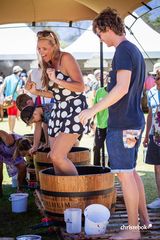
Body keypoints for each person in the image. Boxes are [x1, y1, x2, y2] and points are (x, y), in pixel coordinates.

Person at [79, 7, 150, 240]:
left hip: (123, 125)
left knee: (125, 175)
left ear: (106, 28)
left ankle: (133, 231)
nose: (99, 39)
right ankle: (144, 223)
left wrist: (91, 110)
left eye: (99, 34)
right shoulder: (133, 50)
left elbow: (120, 88)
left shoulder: (122, 51)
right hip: (133, 121)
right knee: (131, 173)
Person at [26, 30, 90, 176]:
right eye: (39, 49)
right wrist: (37, 92)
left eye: (44, 49)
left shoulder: (66, 58)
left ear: (54, 46)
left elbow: (80, 87)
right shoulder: (47, 63)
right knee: (53, 158)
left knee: (57, 156)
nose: (41, 52)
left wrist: (56, 80)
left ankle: (76, 193)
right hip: (58, 109)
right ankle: (63, 193)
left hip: (74, 109)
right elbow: (57, 93)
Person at [143, 70, 160, 209]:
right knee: (157, 167)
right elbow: (149, 115)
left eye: (158, 78)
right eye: (155, 77)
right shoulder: (151, 92)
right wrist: (146, 135)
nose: (155, 80)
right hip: (155, 134)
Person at [0, 130, 31, 196]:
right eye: (25, 154)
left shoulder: (26, 144)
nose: (26, 156)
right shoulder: (10, 140)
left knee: (22, 167)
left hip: (12, 153)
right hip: (2, 150)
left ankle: (20, 188)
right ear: (20, 150)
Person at [0, 66, 23, 133]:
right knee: (13, 115)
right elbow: (18, 90)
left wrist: (2, 96)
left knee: (9, 115)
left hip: (7, 99)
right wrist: (21, 93)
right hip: (14, 99)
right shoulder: (19, 80)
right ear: (18, 72)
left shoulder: (7, 78)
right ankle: (12, 130)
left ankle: (10, 130)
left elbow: (2, 87)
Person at [93, 85, 108, 166]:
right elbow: (94, 106)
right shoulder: (99, 91)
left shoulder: (115, 92)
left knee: (111, 148)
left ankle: (111, 167)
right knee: (97, 147)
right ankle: (96, 167)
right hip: (100, 125)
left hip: (112, 125)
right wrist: (92, 120)